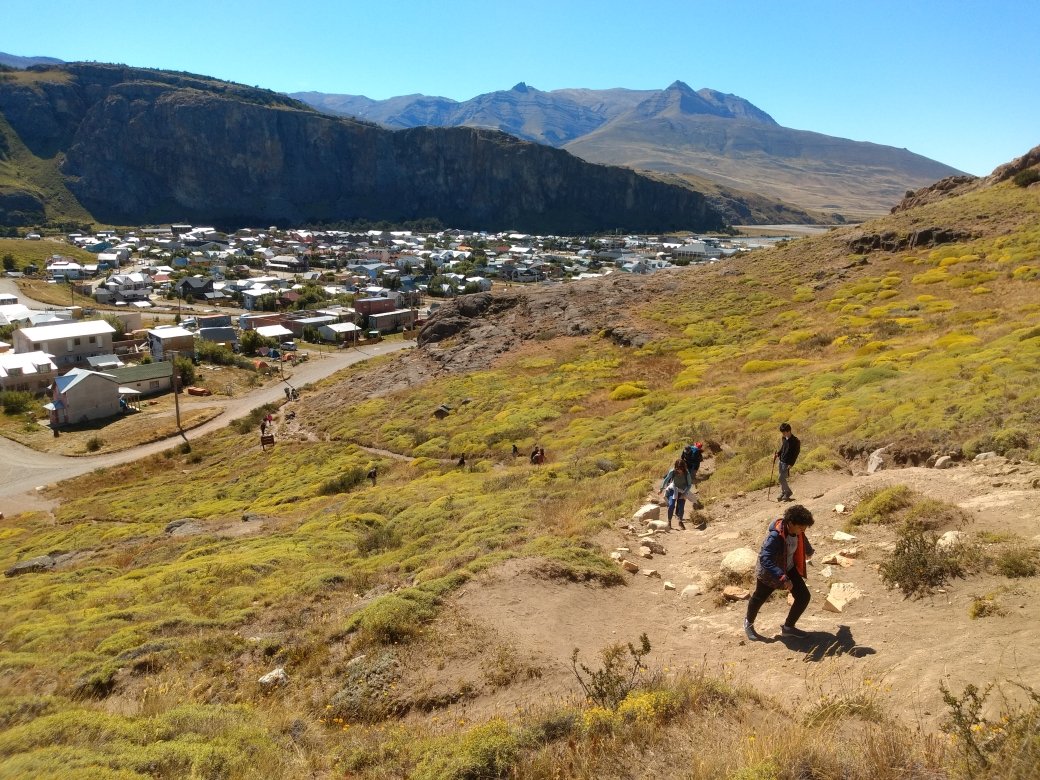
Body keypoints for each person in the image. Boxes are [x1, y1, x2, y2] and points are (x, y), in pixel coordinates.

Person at [744, 504, 815, 641]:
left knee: (803, 597)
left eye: (804, 528)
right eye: (801, 527)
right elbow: (765, 558)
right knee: (759, 597)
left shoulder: (798, 531)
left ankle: (788, 627)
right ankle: (748, 623)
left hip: (788, 567)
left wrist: (808, 550)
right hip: (770, 571)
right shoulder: (775, 536)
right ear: (791, 523)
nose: (803, 530)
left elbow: (802, 538)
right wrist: (782, 577)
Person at [659, 458, 693, 530]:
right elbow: (666, 479)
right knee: (671, 505)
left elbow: (689, 485)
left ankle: (680, 521)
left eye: (681, 469)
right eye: (678, 469)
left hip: (683, 491)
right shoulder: (673, 471)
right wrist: (661, 488)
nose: (679, 470)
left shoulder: (687, 473)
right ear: (676, 467)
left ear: (683, 468)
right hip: (673, 489)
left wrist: (685, 493)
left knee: (681, 507)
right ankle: (669, 521)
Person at [775, 423, 801, 502]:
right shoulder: (784, 438)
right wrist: (778, 453)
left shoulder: (795, 441)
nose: (782, 434)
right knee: (782, 478)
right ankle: (784, 492)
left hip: (787, 463)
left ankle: (788, 492)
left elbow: (796, 453)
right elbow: (783, 447)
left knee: (781, 478)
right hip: (781, 461)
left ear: (788, 431)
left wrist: (791, 464)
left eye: (784, 432)